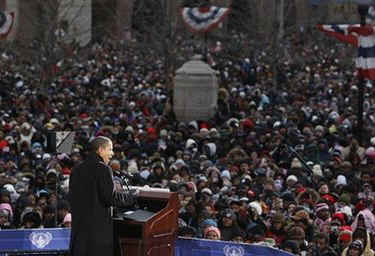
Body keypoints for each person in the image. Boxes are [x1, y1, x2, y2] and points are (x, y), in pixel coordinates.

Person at [69, 136, 115, 256]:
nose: (112, 153)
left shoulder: (75, 170)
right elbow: (109, 198)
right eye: (110, 149)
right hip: (98, 239)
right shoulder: (103, 169)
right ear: (100, 150)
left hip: (79, 237)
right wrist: (130, 197)